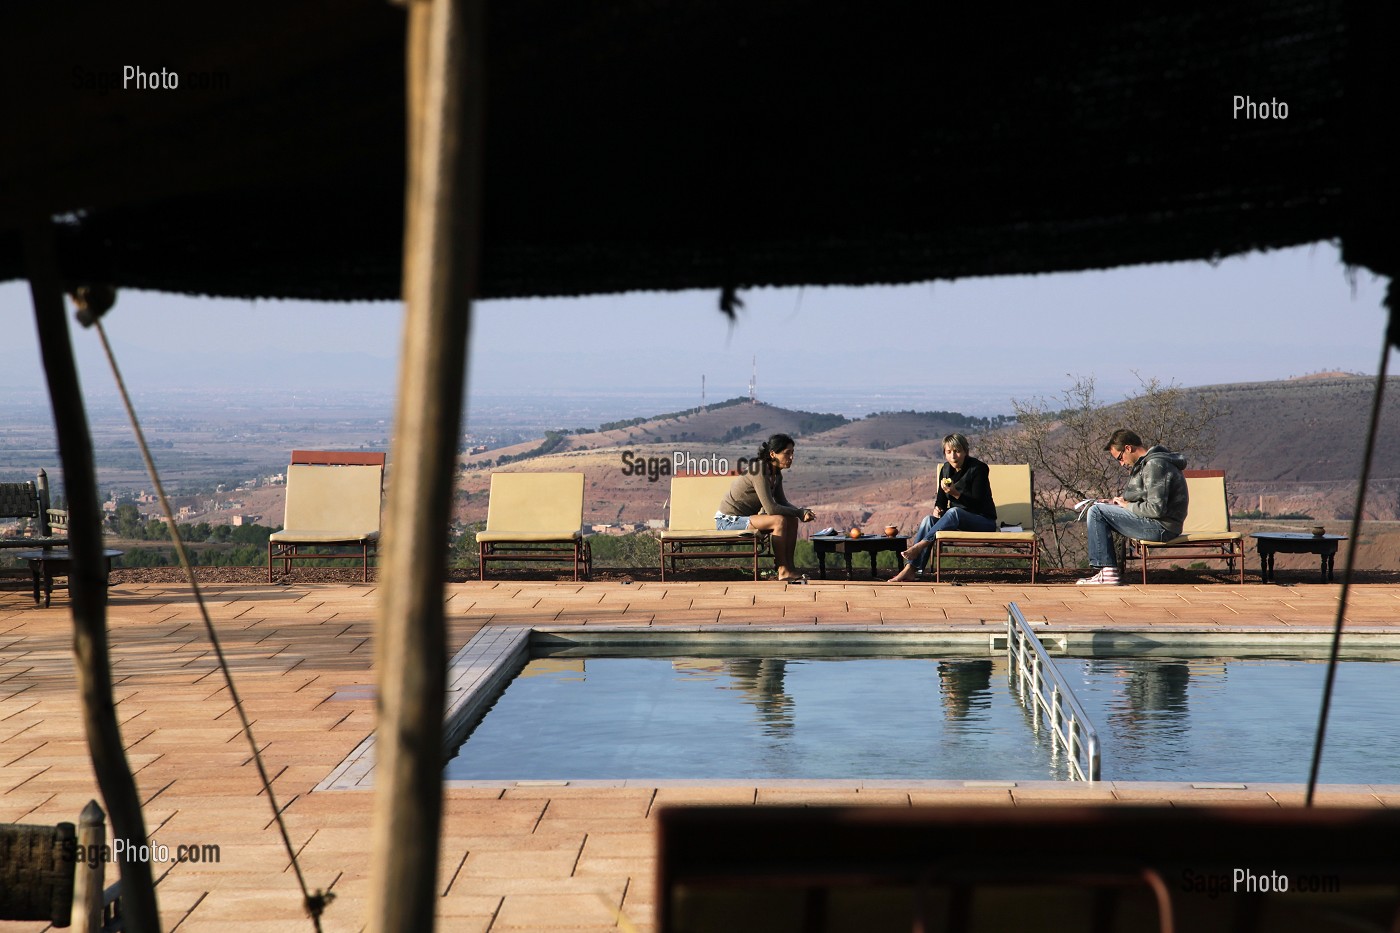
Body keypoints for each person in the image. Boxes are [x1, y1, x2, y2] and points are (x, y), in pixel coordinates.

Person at [1077, 429, 1189, 585]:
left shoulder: (1155, 465)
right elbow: (1149, 500)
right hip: (1162, 524)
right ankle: (1106, 572)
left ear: (1128, 448)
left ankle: (1108, 573)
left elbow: (1156, 509)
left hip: (1163, 528)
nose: (1122, 463)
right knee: (1099, 509)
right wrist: (1117, 504)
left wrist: (1127, 505)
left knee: (1096, 512)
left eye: (1120, 458)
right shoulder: (1153, 462)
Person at [888, 433, 997, 582]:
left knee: (954, 512)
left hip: (983, 521)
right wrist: (938, 509)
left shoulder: (979, 469)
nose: (953, 456)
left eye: (957, 451)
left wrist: (955, 494)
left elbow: (976, 503)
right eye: (949, 452)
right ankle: (910, 569)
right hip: (957, 521)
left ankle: (921, 545)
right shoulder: (945, 470)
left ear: (965, 451)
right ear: (945, 453)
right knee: (928, 520)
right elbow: (941, 500)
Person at [716, 433, 816, 583]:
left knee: (792, 520)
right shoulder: (760, 470)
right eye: (787, 453)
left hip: (746, 519)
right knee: (779, 521)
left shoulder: (776, 474)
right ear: (772, 454)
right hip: (728, 521)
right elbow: (771, 509)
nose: (791, 457)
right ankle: (782, 570)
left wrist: (801, 512)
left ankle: (789, 567)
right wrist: (799, 512)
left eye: (792, 453)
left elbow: (782, 502)